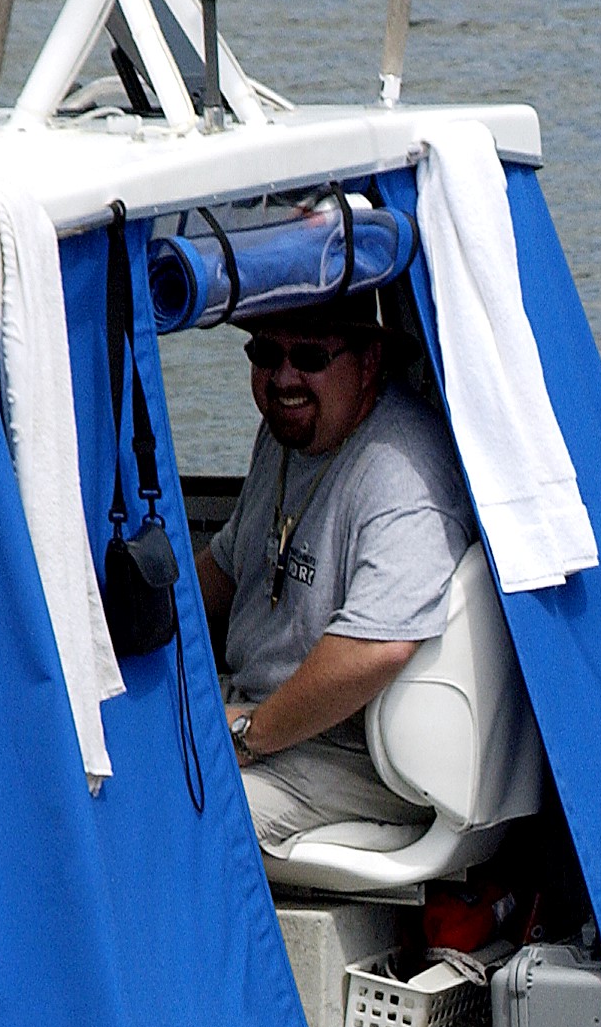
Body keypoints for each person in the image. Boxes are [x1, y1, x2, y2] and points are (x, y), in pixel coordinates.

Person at [200, 290, 477, 854]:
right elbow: (227, 568)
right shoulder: (285, 433)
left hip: (344, 753)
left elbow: (375, 649)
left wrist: (248, 737)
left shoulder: (404, 472)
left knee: (177, 818)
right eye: (265, 354)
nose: (283, 378)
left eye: (310, 357)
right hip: (256, 714)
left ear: (369, 360)